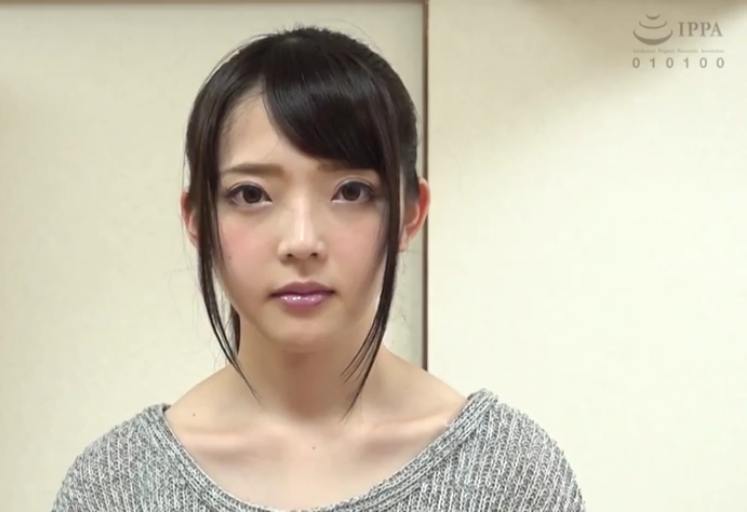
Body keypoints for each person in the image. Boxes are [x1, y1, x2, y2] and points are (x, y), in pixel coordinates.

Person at [52, 26, 586, 512]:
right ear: (197, 220)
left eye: (351, 192)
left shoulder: (512, 478)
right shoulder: (114, 489)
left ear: (411, 214)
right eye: (251, 194)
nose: (302, 242)